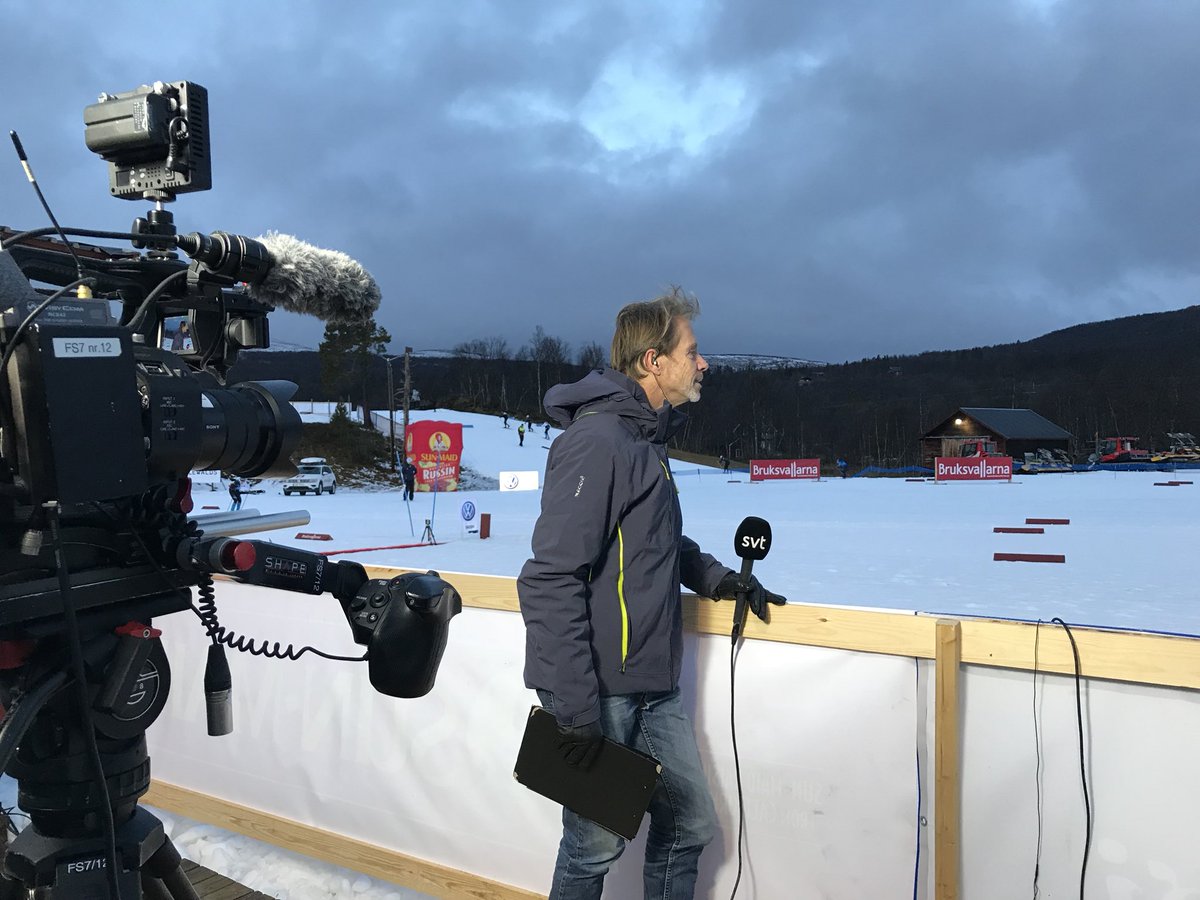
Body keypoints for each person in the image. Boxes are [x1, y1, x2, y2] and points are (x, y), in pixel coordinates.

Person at [517, 288, 787, 899]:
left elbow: (657, 540)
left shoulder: (643, 442)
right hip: (600, 686)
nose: (703, 363)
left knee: (689, 825)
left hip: (651, 684)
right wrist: (573, 703)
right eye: (692, 351)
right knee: (593, 847)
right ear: (652, 361)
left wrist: (718, 578)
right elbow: (550, 577)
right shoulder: (598, 442)